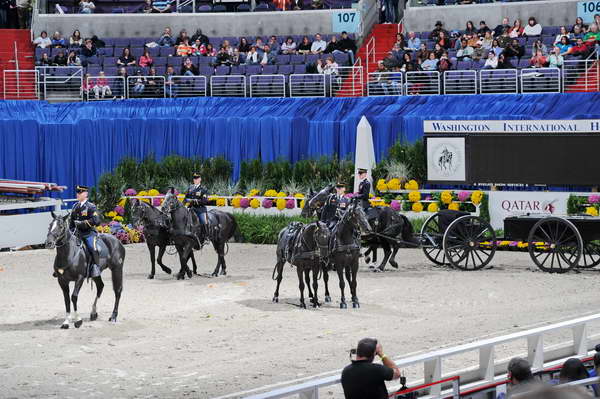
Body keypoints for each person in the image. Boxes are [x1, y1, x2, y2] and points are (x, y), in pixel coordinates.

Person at [69, 185, 101, 278]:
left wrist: (82, 223)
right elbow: (71, 221)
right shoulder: (75, 206)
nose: (78, 194)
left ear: (86, 194)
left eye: (80, 192)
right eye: (77, 192)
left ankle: (95, 267)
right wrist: (70, 231)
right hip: (77, 234)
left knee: (92, 247)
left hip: (89, 233)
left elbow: (96, 221)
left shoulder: (91, 207)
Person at [185, 173, 209, 239]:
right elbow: (185, 198)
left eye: (197, 179)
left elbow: (205, 201)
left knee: (203, 221)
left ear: (200, 179)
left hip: (200, 209)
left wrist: (195, 201)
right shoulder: (190, 188)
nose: (195, 180)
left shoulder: (203, 189)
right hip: (192, 208)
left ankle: (206, 236)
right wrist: (183, 205)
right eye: (194, 179)